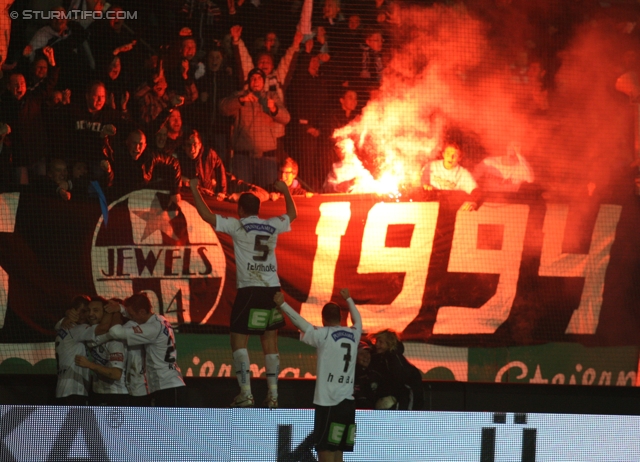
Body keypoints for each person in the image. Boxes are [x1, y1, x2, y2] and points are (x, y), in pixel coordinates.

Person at [189, 178, 297, 408]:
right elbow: (292, 214)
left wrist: (193, 189)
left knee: (238, 341)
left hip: (249, 290)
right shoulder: (271, 225)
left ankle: (246, 394)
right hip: (272, 289)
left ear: (240, 209)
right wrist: (286, 191)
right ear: (259, 209)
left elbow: (207, 216)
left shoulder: (237, 225)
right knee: (270, 341)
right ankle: (274, 396)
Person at [274, 288, 362, 462]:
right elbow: (358, 320)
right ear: (341, 317)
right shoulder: (354, 334)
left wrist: (282, 304)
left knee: (325, 451)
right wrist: (349, 298)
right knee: (338, 452)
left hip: (329, 403)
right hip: (347, 404)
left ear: (323, 319)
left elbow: (301, 323)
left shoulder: (323, 335)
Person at [106, 292, 186, 407]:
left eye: (132, 315)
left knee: (169, 425)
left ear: (142, 312)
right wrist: (120, 307)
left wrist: (116, 313)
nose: (131, 318)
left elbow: (115, 332)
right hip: (169, 384)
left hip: (167, 387)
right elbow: (136, 315)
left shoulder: (150, 329)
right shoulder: (160, 319)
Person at [219, 67, 290, 188]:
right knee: (242, 194)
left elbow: (286, 118)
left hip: (267, 159)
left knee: (267, 195)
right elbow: (223, 108)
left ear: (263, 82)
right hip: (242, 158)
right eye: (253, 78)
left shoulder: (271, 96)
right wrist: (241, 100)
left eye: (259, 78)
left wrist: (273, 108)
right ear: (249, 82)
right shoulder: (240, 95)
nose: (256, 81)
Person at [75, 296, 130, 406]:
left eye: (95, 310)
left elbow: (116, 374)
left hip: (116, 395)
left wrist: (89, 365)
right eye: (89, 311)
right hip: (98, 392)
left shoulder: (115, 341)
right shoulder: (87, 331)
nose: (90, 314)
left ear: (105, 313)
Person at [369, 329, 424, 411]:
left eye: (381, 342)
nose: (377, 344)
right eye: (376, 341)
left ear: (389, 344)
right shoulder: (381, 358)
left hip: (405, 398)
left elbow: (400, 383)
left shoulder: (394, 359)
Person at [54, 295, 92, 405]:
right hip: (74, 390)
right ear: (72, 311)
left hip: (63, 390)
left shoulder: (63, 326)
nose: (85, 315)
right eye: (83, 311)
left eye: (87, 311)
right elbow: (102, 330)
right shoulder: (76, 329)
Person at [421, 142, 480, 211]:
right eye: (448, 153)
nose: (451, 157)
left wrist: (474, 202)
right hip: (430, 207)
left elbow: (476, 191)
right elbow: (421, 181)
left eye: (455, 155)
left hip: (451, 209)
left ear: (460, 158)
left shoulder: (463, 174)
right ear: (443, 154)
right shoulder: (431, 166)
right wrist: (425, 184)